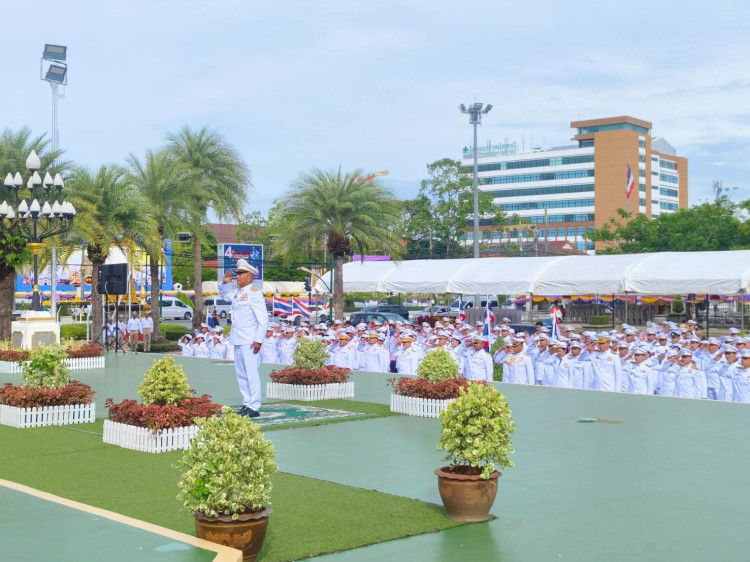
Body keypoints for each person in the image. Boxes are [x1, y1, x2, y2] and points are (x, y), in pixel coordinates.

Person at [219, 259, 268, 418]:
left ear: (250, 276)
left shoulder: (254, 293)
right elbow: (224, 295)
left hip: (250, 341)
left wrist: (259, 340)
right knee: (241, 374)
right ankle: (247, 403)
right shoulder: (237, 293)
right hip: (238, 339)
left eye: (241, 273)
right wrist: (224, 283)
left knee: (251, 374)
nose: (238, 276)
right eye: (238, 273)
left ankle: (254, 406)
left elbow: (263, 319)